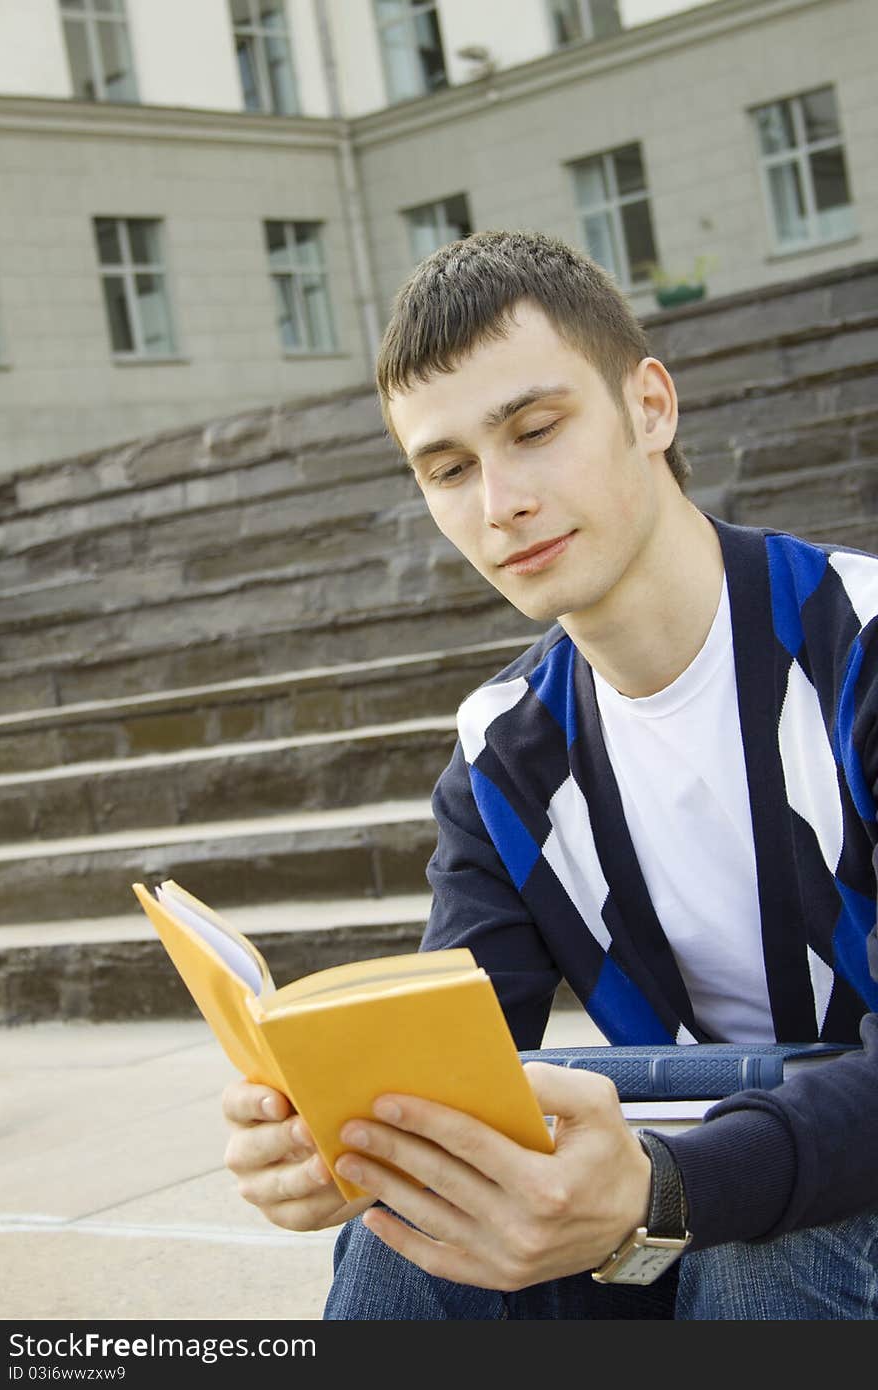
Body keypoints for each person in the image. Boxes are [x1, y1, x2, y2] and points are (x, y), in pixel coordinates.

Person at [222, 230, 878, 1320]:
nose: (500, 501)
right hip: (706, 1153)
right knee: (411, 1244)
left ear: (649, 408)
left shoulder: (858, 649)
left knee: (765, 1244)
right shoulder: (502, 753)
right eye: (447, 469)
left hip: (829, 1179)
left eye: (533, 430)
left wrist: (671, 1189)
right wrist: (341, 1139)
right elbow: (461, 1059)